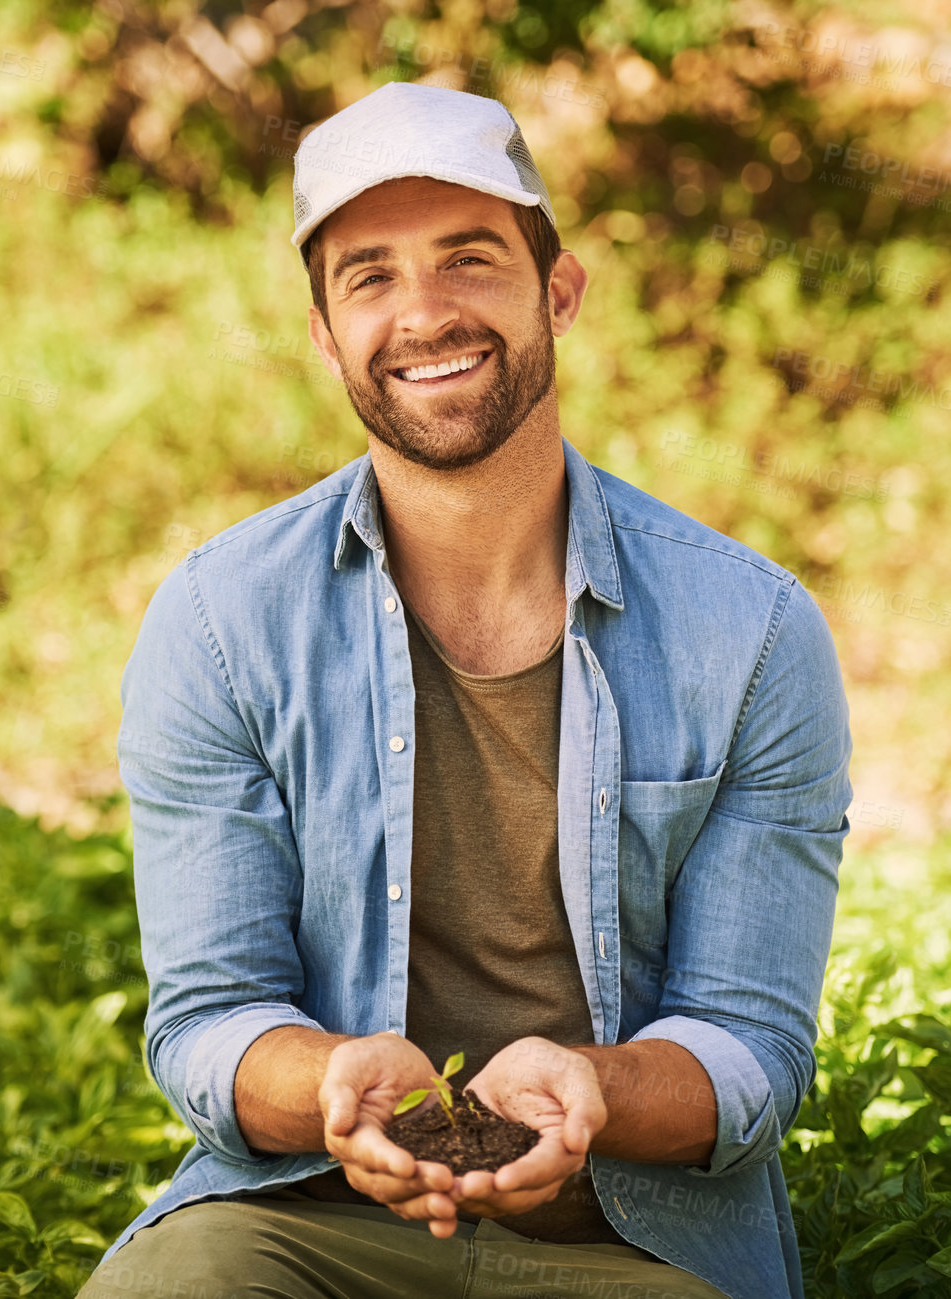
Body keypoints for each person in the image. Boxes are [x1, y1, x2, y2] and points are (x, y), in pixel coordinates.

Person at [78, 81, 852, 1299]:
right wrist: (329, 1087)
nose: (423, 312)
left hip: (634, 1247)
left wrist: (591, 1092)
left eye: (469, 259)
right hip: (307, 1226)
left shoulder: (751, 631)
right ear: (326, 334)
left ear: (559, 291)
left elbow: (749, 1049)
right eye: (368, 276)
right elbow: (207, 1019)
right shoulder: (221, 622)